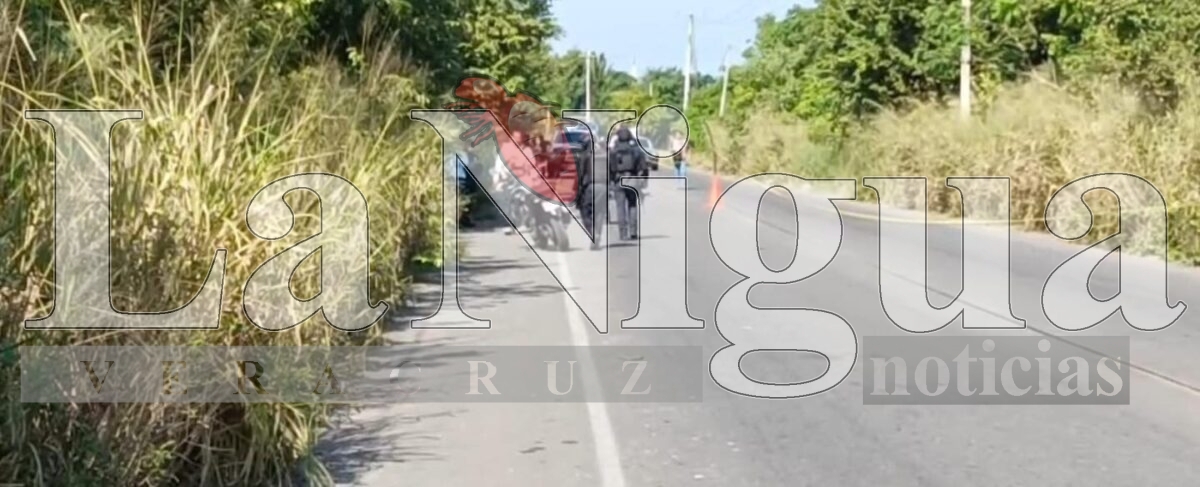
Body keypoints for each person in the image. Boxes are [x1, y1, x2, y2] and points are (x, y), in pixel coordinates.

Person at [608, 126, 648, 240]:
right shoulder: (636, 150)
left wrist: (610, 181)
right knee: (632, 205)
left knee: (620, 207)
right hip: (632, 179)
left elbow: (609, 168)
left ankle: (623, 233)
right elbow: (644, 167)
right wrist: (644, 180)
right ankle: (633, 231)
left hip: (618, 180)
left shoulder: (613, 151)